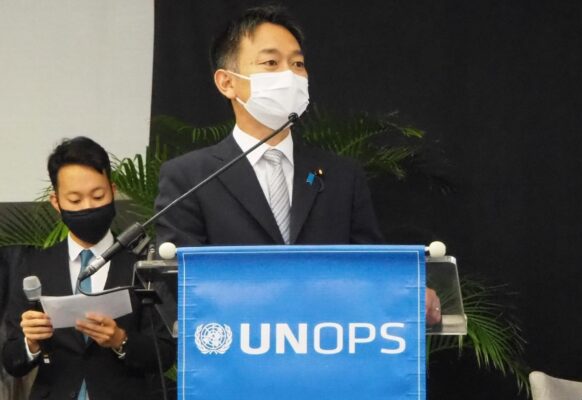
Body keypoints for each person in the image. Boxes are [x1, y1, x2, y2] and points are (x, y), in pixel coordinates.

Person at [154, 5, 441, 324]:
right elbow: (179, 284)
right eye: (271, 63)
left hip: (328, 340)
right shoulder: (190, 177)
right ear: (226, 83)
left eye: (298, 64)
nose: (289, 75)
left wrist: (405, 293)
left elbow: (368, 269)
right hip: (235, 344)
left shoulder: (342, 176)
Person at [2, 137, 175, 400]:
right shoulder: (35, 265)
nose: (88, 207)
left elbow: (165, 353)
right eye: (74, 200)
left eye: (98, 196)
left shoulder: (140, 264)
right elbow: (12, 361)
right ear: (56, 202)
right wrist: (31, 343)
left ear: (112, 191)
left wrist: (120, 340)